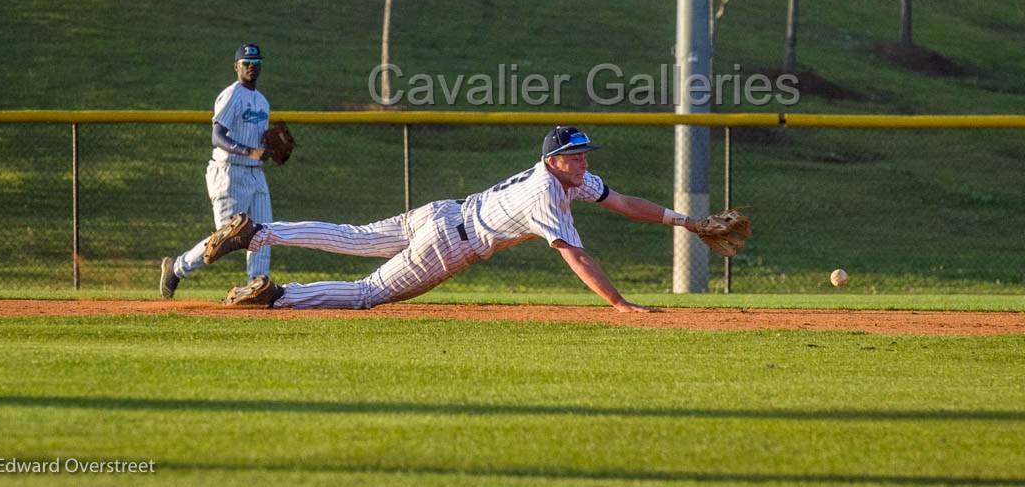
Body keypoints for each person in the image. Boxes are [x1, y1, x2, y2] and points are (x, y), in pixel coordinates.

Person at [205, 126, 706, 312]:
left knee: (349, 236)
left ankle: (258, 232)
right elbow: (576, 254)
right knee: (366, 294)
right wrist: (618, 303)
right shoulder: (547, 194)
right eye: (575, 156)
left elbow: (622, 202)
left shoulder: (571, 179)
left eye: (584, 155)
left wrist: (685, 222)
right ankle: (278, 295)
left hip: (443, 212)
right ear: (553, 160)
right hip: (450, 243)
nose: (584, 162)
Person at [159, 43, 275, 298]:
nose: (252, 68)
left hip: (256, 175)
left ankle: (254, 288)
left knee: (264, 233)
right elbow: (217, 136)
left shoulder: (263, 102)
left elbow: (258, 142)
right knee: (228, 235)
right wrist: (247, 151)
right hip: (230, 172)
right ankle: (177, 268)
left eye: (256, 64)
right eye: (246, 64)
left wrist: (269, 149)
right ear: (236, 67)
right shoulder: (232, 94)